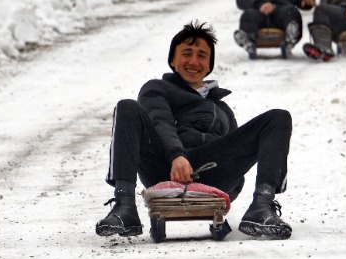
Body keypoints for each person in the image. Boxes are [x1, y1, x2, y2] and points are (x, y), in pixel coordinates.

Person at [96, 21, 294, 240]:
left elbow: (235, 153)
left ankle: (262, 206)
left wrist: (229, 190)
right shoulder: (157, 89)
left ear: (209, 65)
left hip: (211, 169)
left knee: (278, 118)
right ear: (173, 60)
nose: (194, 61)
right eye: (186, 54)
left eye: (202, 56)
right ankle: (124, 206)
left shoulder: (223, 109)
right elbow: (159, 121)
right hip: (163, 165)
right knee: (127, 107)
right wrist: (176, 156)